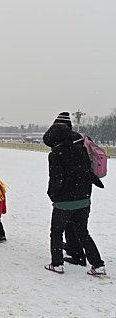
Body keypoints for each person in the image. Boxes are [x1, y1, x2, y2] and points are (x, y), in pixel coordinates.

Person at [43, 123, 106, 275]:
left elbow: (56, 179)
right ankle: (98, 265)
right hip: (84, 200)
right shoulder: (81, 150)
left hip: (64, 202)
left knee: (56, 232)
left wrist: (53, 195)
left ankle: (57, 263)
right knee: (83, 232)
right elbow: (87, 173)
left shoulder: (56, 154)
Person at [52, 112, 87, 266]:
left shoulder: (65, 141)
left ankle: (76, 253)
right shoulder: (80, 138)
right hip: (83, 188)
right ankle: (76, 250)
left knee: (68, 224)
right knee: (79, 225)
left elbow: (59, 172)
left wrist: (54, 193)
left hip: (68, 191)